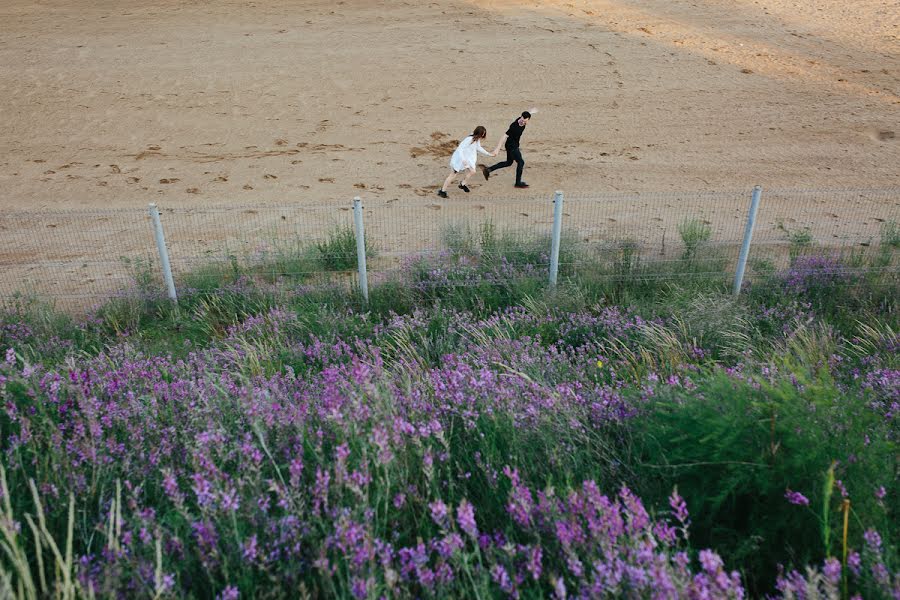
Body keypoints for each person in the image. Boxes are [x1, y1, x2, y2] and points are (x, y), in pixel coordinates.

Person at [483, 108, 537, 188]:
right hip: (512, 146)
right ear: (521, 117)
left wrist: (531, 112)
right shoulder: (514, 126)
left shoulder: (523, 118)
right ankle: (518, 183)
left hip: (510, 145)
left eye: (525, 121)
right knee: (521, 162)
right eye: (523, 119)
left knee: (509, 162)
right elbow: (504, 136)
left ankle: (488, 170)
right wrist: (497, 149)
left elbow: (526, 114)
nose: (523, 121)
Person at [437, 126, 497, 198]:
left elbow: (478, 148)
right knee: (453, 175)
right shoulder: (469, 139)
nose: (483, 136)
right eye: (482, 134)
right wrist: (463, 160)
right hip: (459, 160)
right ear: (478, 133)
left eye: (484, 134)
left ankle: (462, 184)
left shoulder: (477, 139)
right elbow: (460, 149)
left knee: (473, 171)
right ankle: (442, 191)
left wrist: (489, 154)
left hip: (467, 159)